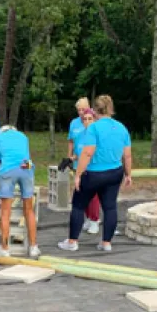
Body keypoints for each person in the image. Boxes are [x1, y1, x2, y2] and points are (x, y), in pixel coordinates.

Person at [58, 95, 132, 252]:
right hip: (114, 172)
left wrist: (78, 174)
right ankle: (106, 243)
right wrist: (128, 174)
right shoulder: (121, 127)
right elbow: (127, 155)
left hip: (93, 173)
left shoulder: (94, 128)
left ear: (95, 110)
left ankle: (72, 242)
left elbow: (87, 153)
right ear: (111, 109)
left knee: (78, 205)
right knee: (110, 207)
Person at [0, 125, 40, 258]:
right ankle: (33, 247)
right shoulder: (23, 136)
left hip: (8, 170)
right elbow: (27, 158)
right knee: (29, 210)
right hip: (27, 168)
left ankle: (5, 249)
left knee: (5, 212)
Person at [65, 97, 101, 234]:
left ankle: (95, 220)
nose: (81, 114)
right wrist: (70, 157)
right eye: (78, 110)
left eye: (83, 110)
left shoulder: (94, 125)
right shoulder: (75, 125)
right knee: (81, 191)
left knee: (93, 194)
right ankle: (88, 217)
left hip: (92, 165)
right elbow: (73, 143)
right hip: (78, 162)